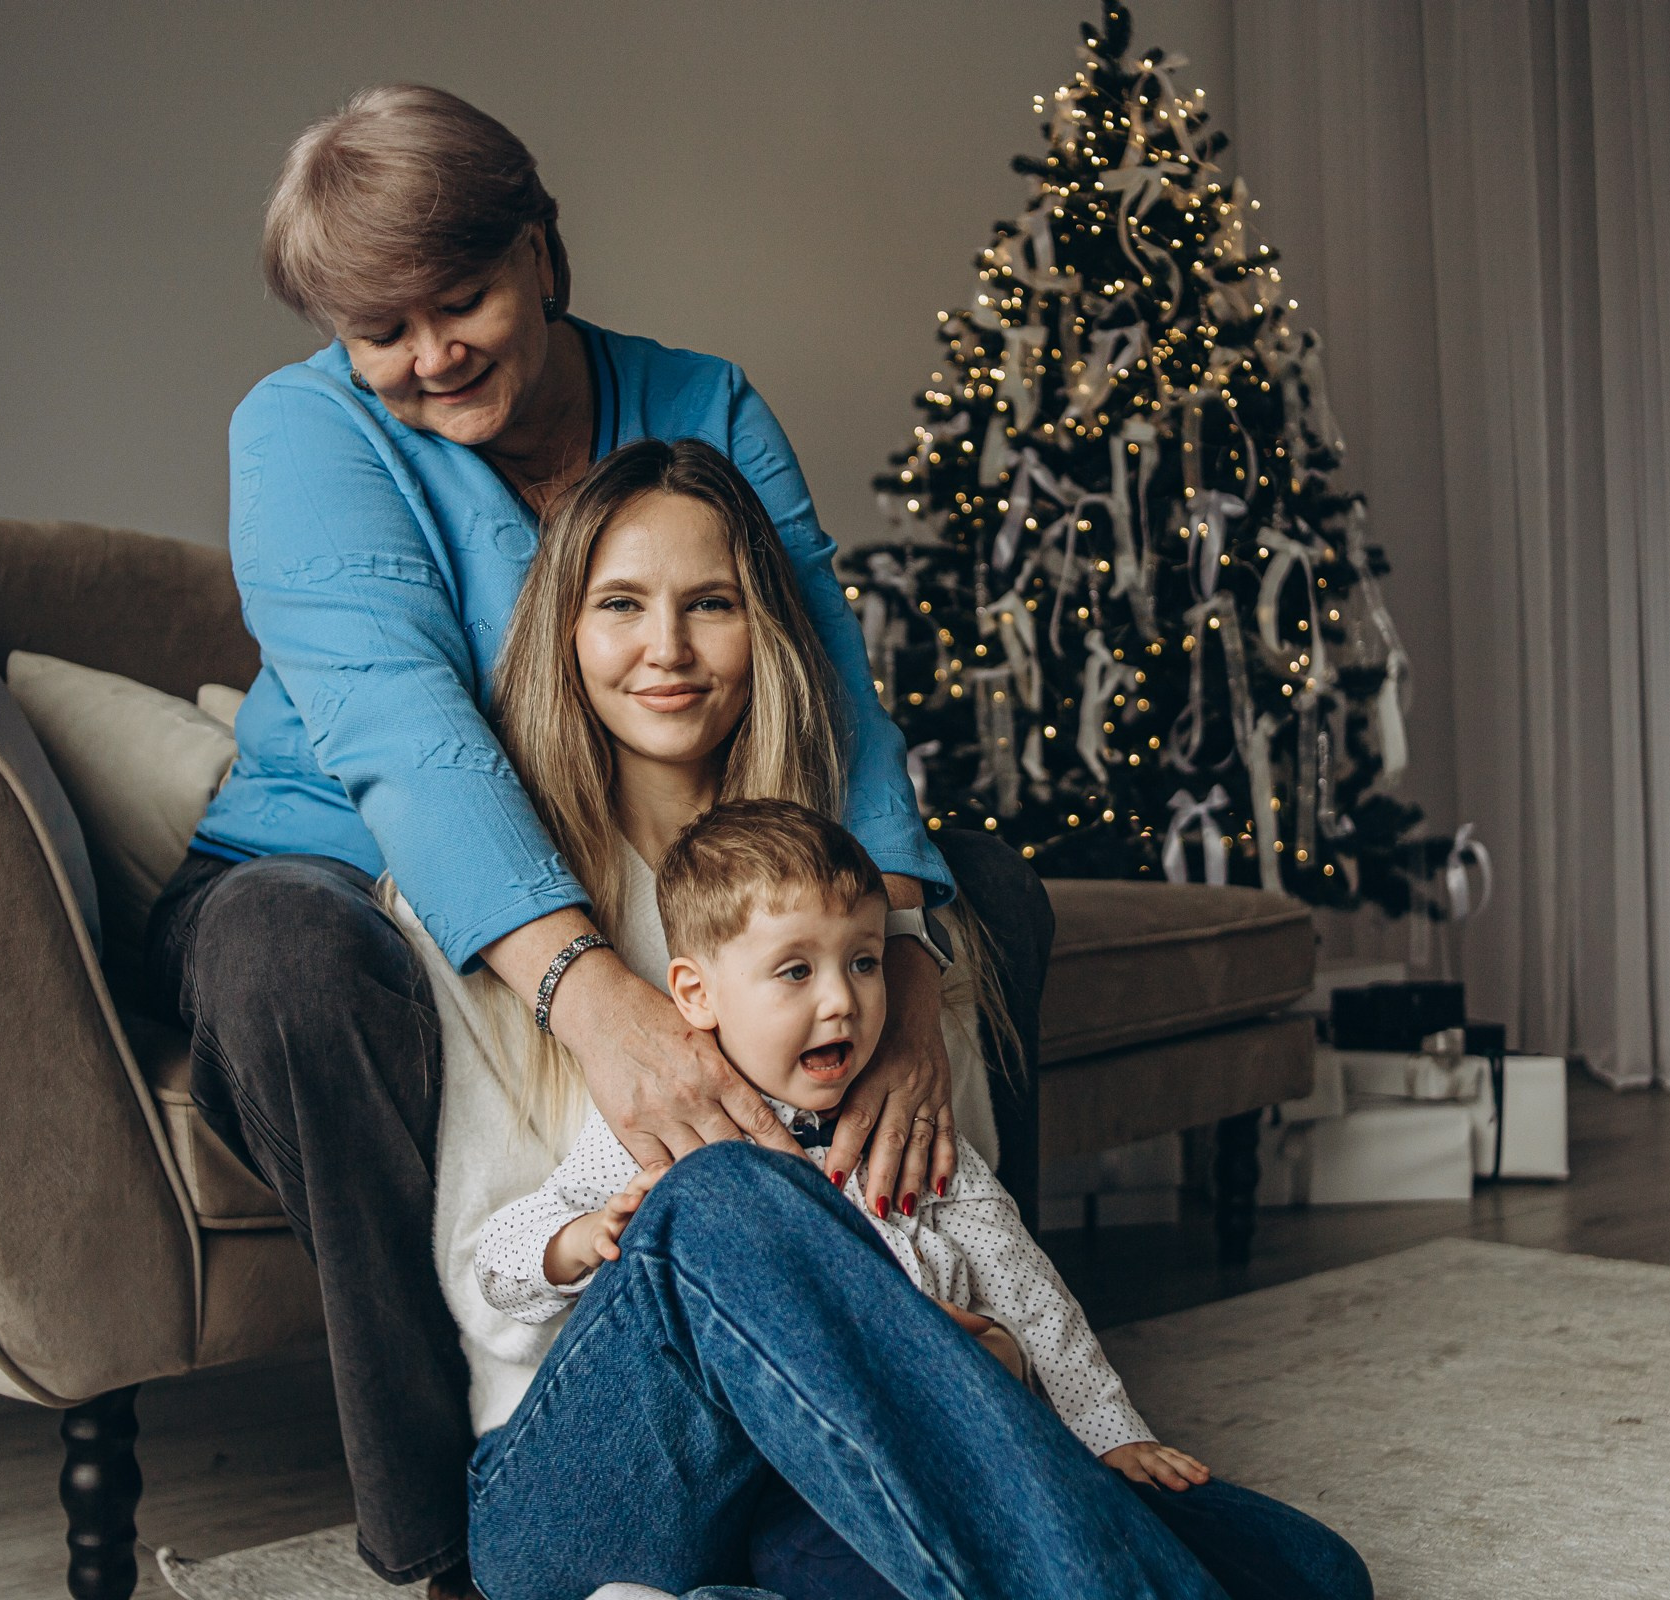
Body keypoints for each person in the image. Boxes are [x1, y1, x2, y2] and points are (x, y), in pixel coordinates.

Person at [146, 85, 1050, 1595]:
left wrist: (900, 964)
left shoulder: (705, 401)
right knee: (295, 964)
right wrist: (591, 992)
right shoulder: (301, 432)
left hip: (652, 831)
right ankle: (441, 1537)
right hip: (313, 866)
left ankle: (1002, 1379)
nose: (430, 356)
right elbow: (402, 734)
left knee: (999, 894)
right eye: (383, 330)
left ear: (543, 253)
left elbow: (827, 676)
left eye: (463, 299)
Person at [431, 437, 1370, 1599]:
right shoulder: (496, 903)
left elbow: (992, 1258)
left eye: (710, 603)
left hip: (836, 1460)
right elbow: (488, 1273)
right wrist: (594, 1241)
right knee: (724, 1190)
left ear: (764, 630)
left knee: (1310, 1572)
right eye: (621, 602)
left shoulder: (856, 897)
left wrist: (1014, 1371)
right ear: (566, 634)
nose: (667, 647)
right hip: (589, 1477)